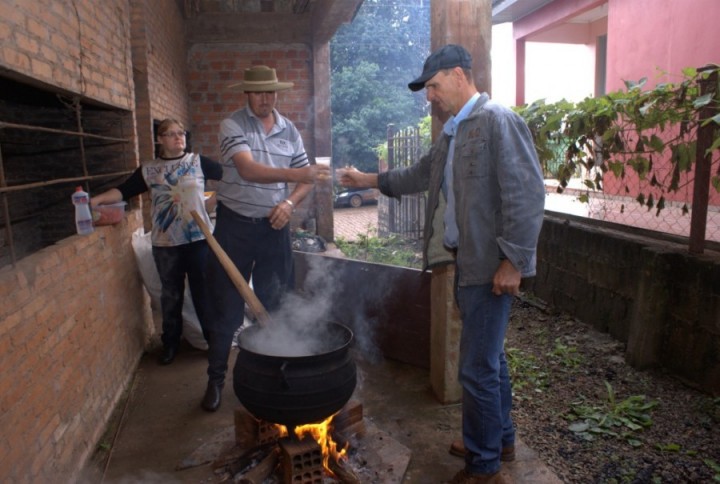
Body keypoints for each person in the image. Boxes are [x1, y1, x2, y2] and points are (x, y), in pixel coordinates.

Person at [339, 45, 545, 484]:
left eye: (433, 86)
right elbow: (416, 176)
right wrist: (367, 180)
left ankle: (484, 464)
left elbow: (527, 196)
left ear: (457, 75)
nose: (429, 96)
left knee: (476, 367)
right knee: (491, 361)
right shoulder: (453, 134)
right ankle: (498, 439)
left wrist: (513, 263)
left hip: (490, 269)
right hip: (466, 265)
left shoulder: (496, 122)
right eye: (426, 89)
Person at [201, 65, 330, 412]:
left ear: (277, 94)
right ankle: (215, 380)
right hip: (235, 228)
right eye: (258, 93)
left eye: (270, 92)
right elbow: (247, 169)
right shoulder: (232, 125)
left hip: (274, 227)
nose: (265, 99)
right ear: (247, 94)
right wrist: (297, 174)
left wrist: (289, 202)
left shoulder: (289, 131)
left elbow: (305, 182)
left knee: (278, 302)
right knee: (226, 308)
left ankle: (275, 378)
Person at [91, 118, 223, 365]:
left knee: (203, 293)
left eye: (181, 133)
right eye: (171, 134)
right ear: (160, 139)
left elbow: (230, 176)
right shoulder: (149, 170)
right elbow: (124, 190)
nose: (178, 138)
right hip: (166, 245)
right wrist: (96, 201)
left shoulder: (197, 162)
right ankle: (170, 345)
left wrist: (218, 200)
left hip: (198, 241)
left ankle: (212, 341)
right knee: (171, 297)